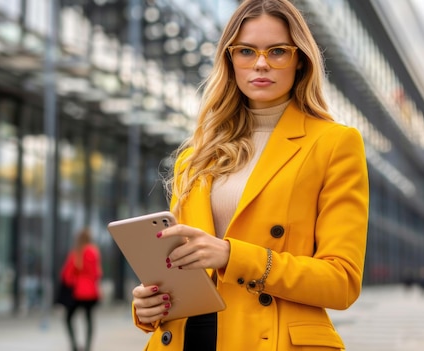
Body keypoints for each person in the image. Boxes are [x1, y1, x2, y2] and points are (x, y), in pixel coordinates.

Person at [131, 0, 370, 350]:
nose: (260, 64)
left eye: (277, 52)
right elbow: (183, 274)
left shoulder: (334, 144)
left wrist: (232, 256)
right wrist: (148, 305)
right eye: (246, 51)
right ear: (230, 60)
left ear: (299, 59)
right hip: (188, 339)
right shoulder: (195, 157)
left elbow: (341, 282)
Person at [60, 228, 102, 351]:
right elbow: (97, 273)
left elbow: (66, 275)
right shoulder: (94, 252)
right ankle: (88, 347)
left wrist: (75, 280)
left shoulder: (76, 253)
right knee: (89, 319)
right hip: (92, 292)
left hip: (78, 292)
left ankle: (74, 345)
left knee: (68, 318)